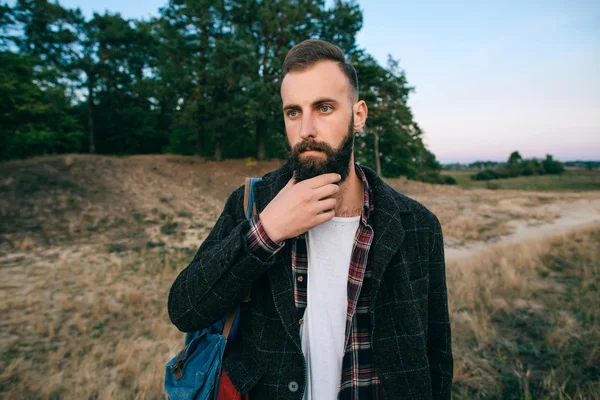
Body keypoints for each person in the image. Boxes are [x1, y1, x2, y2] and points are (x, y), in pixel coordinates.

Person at [168, 39, 453, 400]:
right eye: (293, 112)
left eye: (324, 108)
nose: (306, 130)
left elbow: (437, 356)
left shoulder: (417, 226)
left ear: (358, 114)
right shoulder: (253, 205)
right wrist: (267, 232)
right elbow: (184, 309)